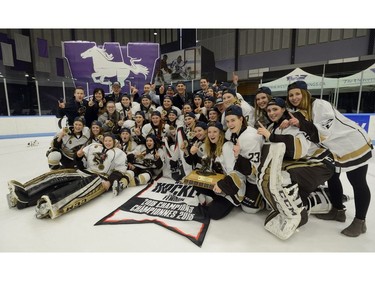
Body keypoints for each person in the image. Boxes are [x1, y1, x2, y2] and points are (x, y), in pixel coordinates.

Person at [286, 80, 373, 237]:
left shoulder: (319, 105)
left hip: (352, 143)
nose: (294, 97)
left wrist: (300, 123)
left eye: (297, 93)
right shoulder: (300, 111)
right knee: (333, 178)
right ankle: (338, 211)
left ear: (305, 93)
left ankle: (360, 222)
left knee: (357, 181)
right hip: (335, 149)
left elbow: (325, 130)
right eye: (291, 95)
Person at [257, 97, 334, 240]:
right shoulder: (273, 126)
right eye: (269, 110)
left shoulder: (293, 123)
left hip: (320, 163)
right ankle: (305, 201)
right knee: (274, 173)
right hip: (305, 163)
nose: (271, 113)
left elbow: (298, 150)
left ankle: (299, 215)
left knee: (283, 176)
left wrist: (271, 137)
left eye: (275, 109)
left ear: (284, 110)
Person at [7, 133, 131, 218]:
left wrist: (109, 182)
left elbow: (119, 171)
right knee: (57, 176)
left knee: (76, 188)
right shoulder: (94, 147)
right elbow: (80, 162)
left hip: (99, 179)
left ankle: (51, 204)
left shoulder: (120, 153)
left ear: (114, 142)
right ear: (102, 140)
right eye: (106, 140)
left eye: (110, 141)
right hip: (83, 171)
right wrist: (78, 156)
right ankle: (25, 194)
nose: (108, 142)